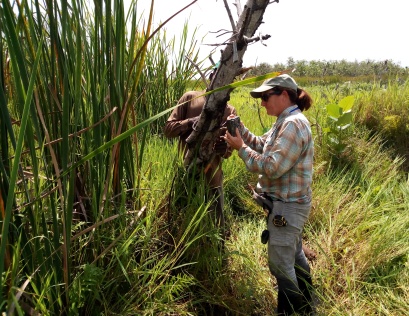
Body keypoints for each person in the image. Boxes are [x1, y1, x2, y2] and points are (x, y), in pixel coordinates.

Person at [223, 74, 315, 315]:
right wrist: (240, 128)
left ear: (284, 94)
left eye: (265, 97)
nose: (262, 103)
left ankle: (292, 310)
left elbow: (272, 166)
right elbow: (262, 145)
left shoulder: (294, 124)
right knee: (293, 255)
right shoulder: (284, 121)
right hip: (287, 205)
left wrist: (240, 148)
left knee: (281, 265)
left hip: (288, 207)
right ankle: (307, 302)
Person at [164, 73, 237, 241]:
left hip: (213, 179)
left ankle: (216, 253)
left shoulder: (229, 110)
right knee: (181, 224)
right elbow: (168, 129)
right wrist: (191, 122)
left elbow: (228, 151)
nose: (224, 81)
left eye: (229, 79)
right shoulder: (190, 98)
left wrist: (223, 148)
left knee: (217, 228)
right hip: (186, 174)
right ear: (211, 76)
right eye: (219, 76)